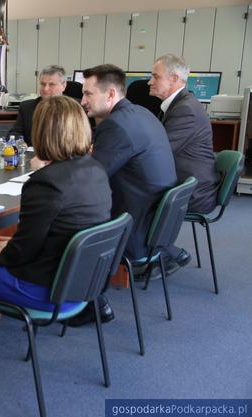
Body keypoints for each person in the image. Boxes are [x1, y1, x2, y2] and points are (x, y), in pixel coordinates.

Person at [0, 96, 112, 371]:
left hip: (49, 289)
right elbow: (55, 232)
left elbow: (22, 253)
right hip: (83, 283)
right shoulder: (95, 169)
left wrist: (8, 249)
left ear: (43, 132)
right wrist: (12, 246)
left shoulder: (46, 183)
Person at [71, 64, 177, 327]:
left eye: (88, 94)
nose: (82, 101)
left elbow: (89, 180)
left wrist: (52, 171)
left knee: (68, 216)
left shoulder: (116, 125)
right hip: (155, 225)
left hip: (132, 230)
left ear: (110, 95)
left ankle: (90, 302)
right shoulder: (141, 114)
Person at [149, 53, 219, 272]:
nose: (150, 81)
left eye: (155, 76)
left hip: (195, 191)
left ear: (173, 79)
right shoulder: (179, 105)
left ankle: (164, 253)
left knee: (133, 193)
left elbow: (160, 153)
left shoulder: (185, 110)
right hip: (188, 182)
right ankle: (161, 251)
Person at [8, 65, 68, 145]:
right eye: (43, 84)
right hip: (33, 155)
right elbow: (14, 133)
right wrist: (19, 142)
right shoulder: (27, 107)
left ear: (64, 85)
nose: (45, 89)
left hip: (64, 156)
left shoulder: (74, 109)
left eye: (51, 84)